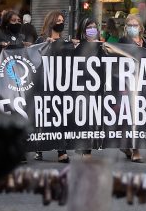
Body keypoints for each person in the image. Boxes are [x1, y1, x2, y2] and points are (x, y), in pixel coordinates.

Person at [34, 10, 69, 163]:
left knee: (60, 117)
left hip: (60, 85)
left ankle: (61, 151)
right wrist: (45, 45)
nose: (61, 23)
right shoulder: (41, 40)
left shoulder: (64, 41)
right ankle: (38, 148)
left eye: (62, 20)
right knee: (43, 116)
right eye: (58, 20)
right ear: (51, 22)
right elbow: (33, 59)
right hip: (43, 84)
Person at [117, 14, 146, 163]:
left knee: (139, 116)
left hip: (143, 82)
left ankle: (129, 145)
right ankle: (134, 149)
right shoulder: (123, 41)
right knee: (130, 116)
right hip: (127, 84)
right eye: (130, 25)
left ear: (141, 27)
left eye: (135, 25)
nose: (133, 28)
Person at [74, 17, 101, 159]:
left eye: (94, 27)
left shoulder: (102, 46)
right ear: (83, 31)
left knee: (92, 120)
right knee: (85, 120)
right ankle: (85, 150)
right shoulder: (78, 46)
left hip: (98, 89)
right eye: (89, 27)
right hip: (82, 89)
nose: (92, 29)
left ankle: (85, 148)